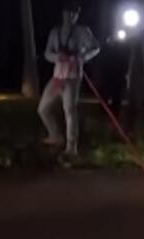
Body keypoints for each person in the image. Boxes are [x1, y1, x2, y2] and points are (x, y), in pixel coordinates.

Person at [37, 1, 100, 156]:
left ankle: (72, 146)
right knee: (43, 108)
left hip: (73, 77)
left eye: (74, 13)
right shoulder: (55, 32)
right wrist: (57, 57)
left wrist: (81, 57)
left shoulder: (83, 31)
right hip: (57, 77)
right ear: (63, 13)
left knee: (70, 110)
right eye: (68, 12)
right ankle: (55, 136)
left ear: (77, 15)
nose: (71, 16)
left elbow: (96, 47)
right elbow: (47, 54)